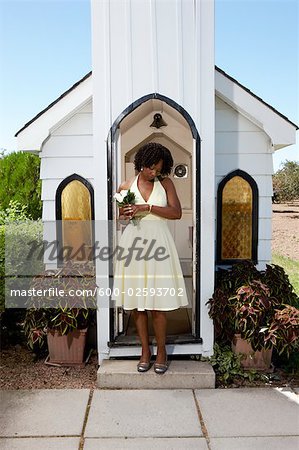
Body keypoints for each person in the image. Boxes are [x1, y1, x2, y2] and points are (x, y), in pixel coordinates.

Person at [112, 142, 189, 374]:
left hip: (159, 245)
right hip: (133, 245)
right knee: (138, 305)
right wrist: (123, 214)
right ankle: (145, 350)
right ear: (140, 164)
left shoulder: (166, 184)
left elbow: (176, 213)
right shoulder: (126, 185)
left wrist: (147, 207)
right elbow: (120, 219)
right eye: (150, 168)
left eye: (158, 169)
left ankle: (162, 351)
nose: (153, 172)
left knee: (158, 304)